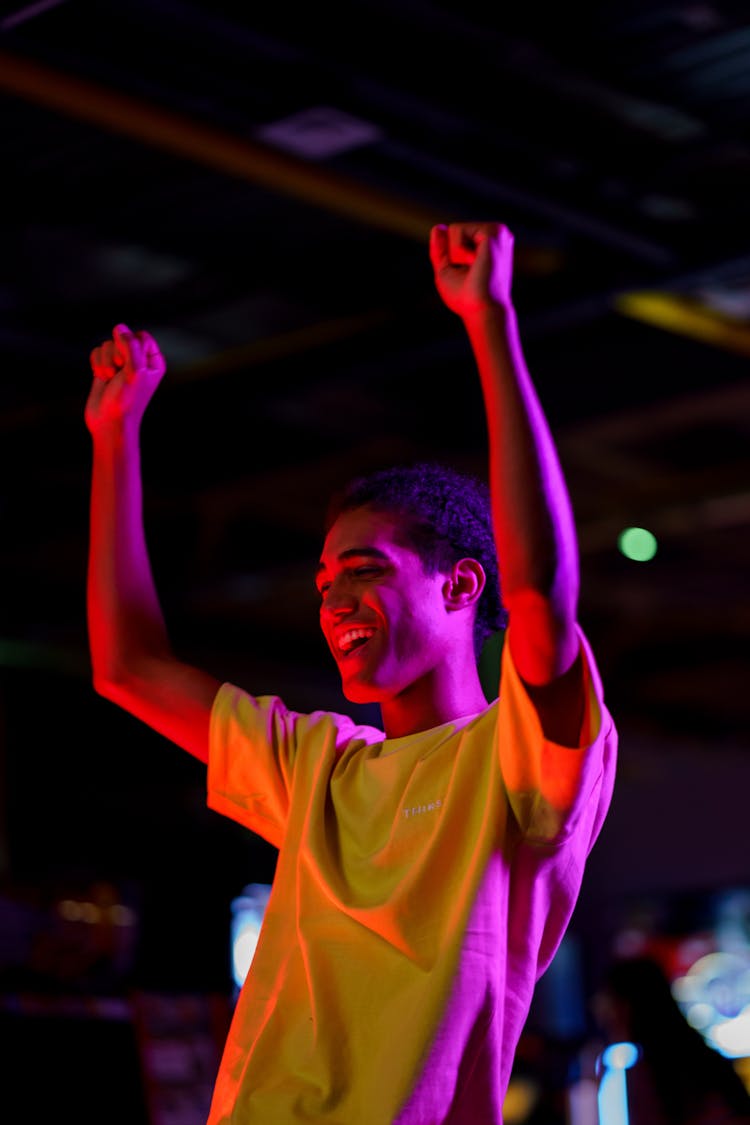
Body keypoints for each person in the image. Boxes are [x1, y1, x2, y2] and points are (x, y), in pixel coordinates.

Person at [85, 221, 618, 1124]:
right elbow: (128, 665)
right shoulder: (316, 765)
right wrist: (114, 437)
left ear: (459, 585)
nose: (332, 602)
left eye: (364, 572)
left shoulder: (519, 761)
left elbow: (543, 597)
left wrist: (491, 323)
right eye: (324, 581)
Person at [591, 955, 750, 1124]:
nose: (599, 1011)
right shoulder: (693, 1059)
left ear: (627, 1005)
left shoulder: (663, 1069)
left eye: (608, 1000)